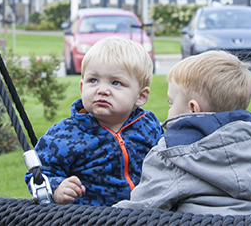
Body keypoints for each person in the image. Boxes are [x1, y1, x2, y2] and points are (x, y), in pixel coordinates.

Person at [113, 51, 251, 219]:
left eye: (171, 103)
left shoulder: (173, 153)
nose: (169, 111)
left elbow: (141, 210)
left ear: (193, 109)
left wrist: (95, 216)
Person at [24, 36, 163, 206]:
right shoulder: (65, 134)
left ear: (141, 96)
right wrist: (57, 188)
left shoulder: (148, 126)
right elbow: (38, 174)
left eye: (116, 83)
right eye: (93, 80)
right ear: (82, 87)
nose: (102, 90)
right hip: (89, 217)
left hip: (145, 214)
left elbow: (168, 161)